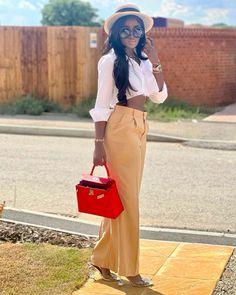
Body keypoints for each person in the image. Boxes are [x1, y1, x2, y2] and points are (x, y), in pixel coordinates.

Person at [88, 3, 168, 287]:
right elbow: (100, 106)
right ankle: (131, 269)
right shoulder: (110, 61)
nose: (132, 34)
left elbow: (159, 96)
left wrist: (155, 59)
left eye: (137, 29)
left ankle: (101, 258)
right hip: (119, 128)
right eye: (126, 29)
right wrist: (98, 144)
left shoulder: (143, 60)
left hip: (140, 126)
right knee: (129, 201)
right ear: (117, 33)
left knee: (121, 199)